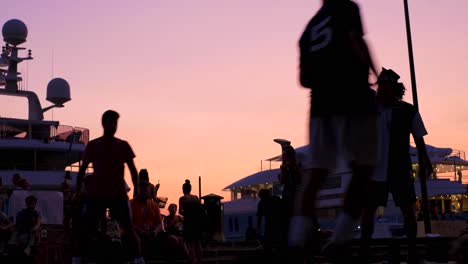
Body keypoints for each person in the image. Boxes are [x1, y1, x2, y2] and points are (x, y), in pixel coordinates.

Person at [290, 0, 379, 257]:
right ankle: (341, 239)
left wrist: (324, 74)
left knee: (316, 174)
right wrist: (374, 75)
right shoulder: (347, 8)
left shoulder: (307, 31)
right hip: (352, 97)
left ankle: (295, 241)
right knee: (363, 169)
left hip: (319, 106)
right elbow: (357, 40)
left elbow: (303, 79)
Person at [360, 68, 433, 263]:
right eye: (380, 86)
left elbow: (419, 138)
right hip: (375, 169)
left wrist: (425, 160)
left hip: (399, 168)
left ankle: (412, 253)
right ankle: (364, 252)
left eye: (384, 86)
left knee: (408, 211)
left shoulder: (408, 111)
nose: (381, 89)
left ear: (393, 88)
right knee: (368, 210)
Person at [76, 110, 144, 264]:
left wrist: (137, 189)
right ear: (103, 124)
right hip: (96, 194)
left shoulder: (123, 145)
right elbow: (82, 170)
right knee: (85, 228)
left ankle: (139, 259)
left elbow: (133, 170)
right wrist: (78, 191)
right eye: (111, 122)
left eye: (115, 123)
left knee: (128, 227)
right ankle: (77, 258)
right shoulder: (93, 145)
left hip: (117, 194)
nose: (113, 126)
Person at [179, 180, 203, 264]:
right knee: (198, 243)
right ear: (190, 189)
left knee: (190, 243)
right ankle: (200, 261)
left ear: (183, 189)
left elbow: (180, 211)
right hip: (197, 223)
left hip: (188, 222)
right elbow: (200, 209)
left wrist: (187, 213)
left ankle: (193, 261)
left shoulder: (182, 199)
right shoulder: (196, 197)